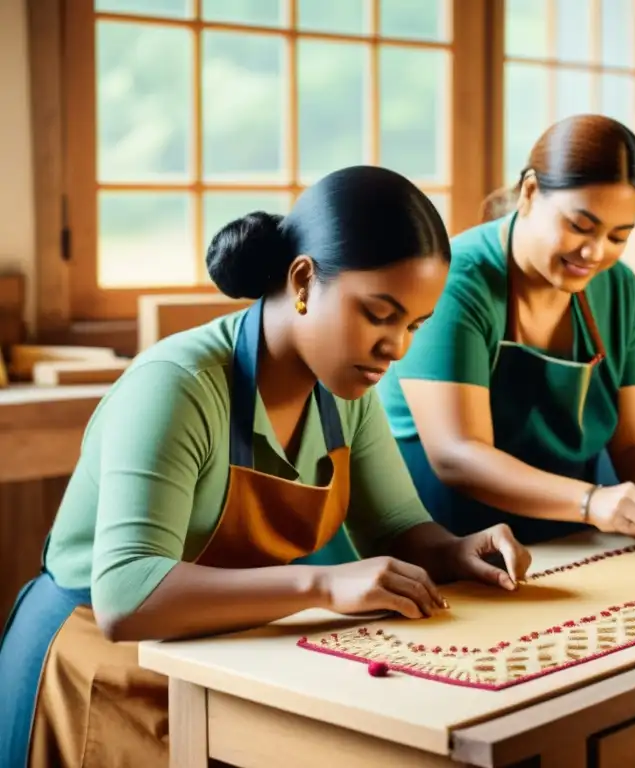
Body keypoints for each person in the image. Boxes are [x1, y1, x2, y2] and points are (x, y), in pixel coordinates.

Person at [0, 166, 532, 768]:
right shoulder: (178, 386)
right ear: (303, 279)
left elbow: (397, 528)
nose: (397, 347)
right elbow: (126, 595)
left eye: (413, 325)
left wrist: (458, 551)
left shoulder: (344, 392)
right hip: (95, 668)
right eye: (378, 314)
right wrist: (324, 584)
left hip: (215, 662)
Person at [376, 114, 635, 547]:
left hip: (568, 544)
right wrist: (591, 502)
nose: (594, 252)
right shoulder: (457, 279)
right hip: (448, 544)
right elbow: (457, 455)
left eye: (618, 237)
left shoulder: (619, 289)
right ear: (531, 192)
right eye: (580, 226)